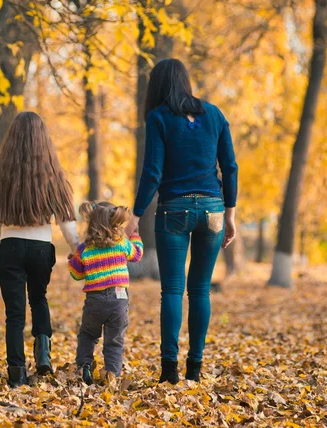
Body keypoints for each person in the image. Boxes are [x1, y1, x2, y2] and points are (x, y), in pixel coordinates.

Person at [124, 58, 238, 384]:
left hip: (174, 209)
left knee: (172, 290)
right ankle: (195, 369)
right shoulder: (214, 114)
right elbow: (230, 167)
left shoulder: (158, 117)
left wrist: (135, 215)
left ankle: (169, 370)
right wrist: (230, 214)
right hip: (214, 210)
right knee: (200, 290)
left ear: (158, 86)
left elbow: (152, 172)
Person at [0, 111, 79, 388]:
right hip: (40, 248)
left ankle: (16, 373)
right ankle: (43, 355)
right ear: (43, 140)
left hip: (10, 246)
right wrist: (77, 248)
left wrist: (9, 213)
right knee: (39, 299)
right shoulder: (53, 174)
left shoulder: (2, 172)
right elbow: (66, 220)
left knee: (14, 312)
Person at [68, 202, 144, 385]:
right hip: (119, 300)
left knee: (87, 334)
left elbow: (76, 273)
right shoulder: (121, 242)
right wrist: (135, 236)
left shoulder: (85, 248)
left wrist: (72, 260)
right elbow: (137, 254)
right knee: (114, 340)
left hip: (95, 300)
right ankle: (111, 375)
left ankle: (85, 366)